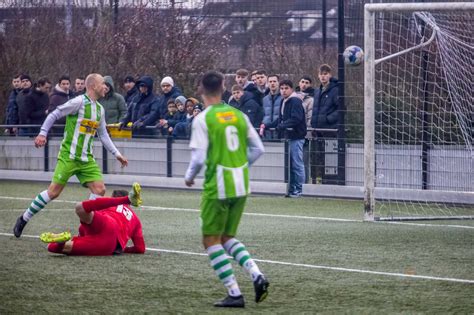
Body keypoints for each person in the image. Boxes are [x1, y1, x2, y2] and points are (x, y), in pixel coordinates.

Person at [184, 71, 268, 308]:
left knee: (210, 240)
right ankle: (256, 273)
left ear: (201, 89)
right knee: (226, 237)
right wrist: (240, 165)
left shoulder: (203, 119)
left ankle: (234, 293)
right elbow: (258, 149)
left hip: (218, 186)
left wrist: (189, 177)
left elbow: (199, 157)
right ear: (223, 86)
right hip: (241, 184)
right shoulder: (239, 115)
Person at [13, 73, 129, 238]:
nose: (106, 87)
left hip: (86, 159)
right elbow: (54, 114)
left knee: (100, 189)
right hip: (69, 155)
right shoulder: (79, 102)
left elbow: (103, 135)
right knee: (53, 192)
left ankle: (87, 229)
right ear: (93, 86)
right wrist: (42, 133)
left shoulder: (100, 109)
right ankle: (24, 218)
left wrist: (117, 154)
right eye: (103, 84)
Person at [40, 183, 144, 256]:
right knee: (53, 247)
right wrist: (124, 249)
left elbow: (85, 223)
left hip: (106, 222)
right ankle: (62, 242)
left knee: (79, 207)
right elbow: (140, 248)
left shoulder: (109, 203)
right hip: (108, 244)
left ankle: (128, 199)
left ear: (113, 198)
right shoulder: (136, 220)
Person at [260, 79, 306, 197]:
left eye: (286, 88)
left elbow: (296, 118)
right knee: (290, 164)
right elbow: (281, 119)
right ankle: (293, 188)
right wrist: (268, 125)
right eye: (282, 88)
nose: (283, 91)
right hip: (288, 137)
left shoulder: (295, 101)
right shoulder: (284, 101)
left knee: (297, 163)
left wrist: (282, 126)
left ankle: (301, 189)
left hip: (296, 136)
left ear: (291, 89)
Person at [310, 64, 340, 184]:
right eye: (321, 74)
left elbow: (341, 109)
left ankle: (331, 181)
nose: (323, 76)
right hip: (318, 129)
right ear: (318, 76)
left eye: (325, 74)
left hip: (330, 129)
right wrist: (314, 124)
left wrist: (328, 119)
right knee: (319, 156)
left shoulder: (336, 90)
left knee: (330, 156)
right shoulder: (318, 90)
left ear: (330, 75)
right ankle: (319, 179)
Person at [261, 74, 282, 139]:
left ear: (278, 83)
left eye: (274, 81)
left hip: (279, 131)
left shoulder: (283, 98)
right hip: (267, 132)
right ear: (267, 83)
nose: (272, 83)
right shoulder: (264, 99)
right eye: (270, 82)